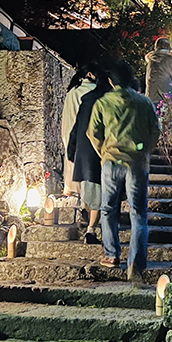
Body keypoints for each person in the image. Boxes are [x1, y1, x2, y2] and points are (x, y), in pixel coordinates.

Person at [88, 61, 160, 284]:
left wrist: (104, 152)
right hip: (137, 163)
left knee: (108, 208)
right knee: (138, 212)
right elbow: (155, 131)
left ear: (111, 81)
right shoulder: (144, 102)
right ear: (130, 79)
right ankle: (136, 263)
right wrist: (143, 150)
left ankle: (111, 254)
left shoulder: (103, 103)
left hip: (111, 161)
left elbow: (93, 133)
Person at [67, 64, 111, 239]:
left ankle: (90, 224)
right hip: (102, 153)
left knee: (91, 192)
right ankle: (92, 229)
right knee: (99, 194)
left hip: (85, 154)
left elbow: (76, 127)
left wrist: (72, 151)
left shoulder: (86, 99)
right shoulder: (110, 101)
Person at [61, 64, 96, 196]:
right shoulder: (94, 91)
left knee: (71, 164)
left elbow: (66, 117)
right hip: (84, 134)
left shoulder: (71, 92)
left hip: (69, 132)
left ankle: (69, 189)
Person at [144, 37, 172, 104]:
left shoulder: (151, 60)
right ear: (169, 47)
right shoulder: (171, 60)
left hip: (151, 94)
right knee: (168, 112)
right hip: (166, 94)